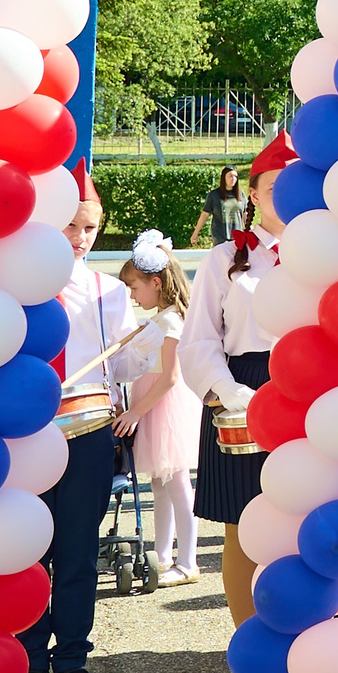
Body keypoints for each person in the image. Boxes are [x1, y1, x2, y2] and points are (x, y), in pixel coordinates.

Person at [181, 139, 291, 662]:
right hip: (243, 386)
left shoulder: (335, 254)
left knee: (308, 519)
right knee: (243, 526)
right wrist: (232, 394)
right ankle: (253, 650)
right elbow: (198, 339)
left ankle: (307, 642)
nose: (288, 195)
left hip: (313, 390)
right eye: (275, 187)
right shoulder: (227, 257)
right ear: (252, 193)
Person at [28, 171, 134, 673]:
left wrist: (157, 342)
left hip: (87, 431)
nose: (80, 237)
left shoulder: (108, 290)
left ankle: (71, 662)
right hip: (25, 435)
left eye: (89, 227)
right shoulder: (17, 281)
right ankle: (27, 663)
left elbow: (127, 360)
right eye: (71, 225)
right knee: (26, 552)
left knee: (77, 553)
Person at [116, 231, 202, 587]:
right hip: (151, 400)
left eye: (135, 288)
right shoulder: (159, 319)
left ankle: (188, 561)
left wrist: (136, 412)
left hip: (163, 404)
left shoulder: (171, 322)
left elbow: (170, 377)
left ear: (156, 282)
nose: (133, 296)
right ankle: (163, 556)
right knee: (160, 483)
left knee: (178, 483)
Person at [193, 166, 244, 246]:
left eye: (235, 176)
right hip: (220, 237)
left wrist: (249, 230)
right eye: (230, 176)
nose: (233, 179)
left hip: (237, 236)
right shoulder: (214, 195)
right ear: (224, 178)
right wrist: (196, 233)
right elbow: (205, 214)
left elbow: (245, 214)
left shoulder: (241, 195)